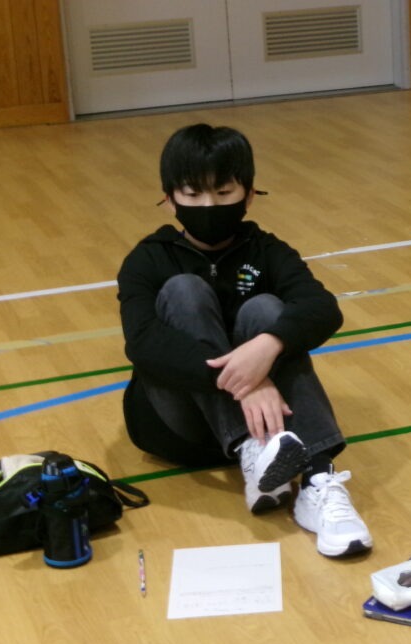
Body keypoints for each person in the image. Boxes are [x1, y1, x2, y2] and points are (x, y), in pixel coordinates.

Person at [117, 123, 372, 558]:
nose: (208, 205)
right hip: (178, 425)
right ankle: (251, 447)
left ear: (249, 195)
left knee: (269, 311)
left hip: (271, 426)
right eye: (193, 194)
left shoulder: (267, 250)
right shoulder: (148, 259)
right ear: (169, 198)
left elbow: (323, 308)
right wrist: (248, 381)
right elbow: (143, 343)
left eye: (223, 192)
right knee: (184, 290)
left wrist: (268, 345)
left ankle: (317, 478)